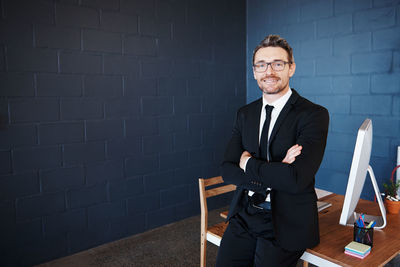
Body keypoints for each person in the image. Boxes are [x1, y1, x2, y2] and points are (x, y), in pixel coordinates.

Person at [216, 35, 329, 267]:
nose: (269, 71)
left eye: (278, 64)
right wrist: (275, 173)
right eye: (262, 65)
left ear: (291, 68)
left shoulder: (313, 115)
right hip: (246, 213)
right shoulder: (245, 114)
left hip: (288, 221)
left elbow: (296, 179)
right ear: (254, 71)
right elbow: (227, 169)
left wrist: (247, 163)